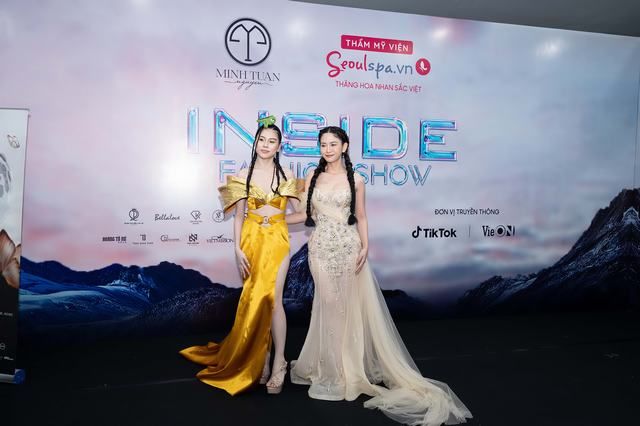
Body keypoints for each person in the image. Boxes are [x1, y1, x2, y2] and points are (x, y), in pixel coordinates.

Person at [286, 126, 472, 425]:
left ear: (345, 146)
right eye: (323, 144)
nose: (327, 149)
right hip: (319, 248)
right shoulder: (312, 176)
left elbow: (361, 216)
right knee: (328, 304)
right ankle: (331, 367)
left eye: (333, 144)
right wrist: (271, 220)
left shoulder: (357, 179)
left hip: (348, 247)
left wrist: (365, 246)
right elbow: (303, 214)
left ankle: (346, 370)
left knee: (344, 308)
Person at [180, 116, 298, 395]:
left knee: (274, 300)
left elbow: (303, 213)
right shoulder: (243, 175)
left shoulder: (287, 175)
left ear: (279, 146)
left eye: (272, 141)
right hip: (251, 240)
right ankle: (262, 359)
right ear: (255, 143)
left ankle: (279, 362)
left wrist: (276, 220)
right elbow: (239, 216)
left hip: (277, 241)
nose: (265, 145)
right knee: (256, 300)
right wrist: (237, 248)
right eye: (261, 140)